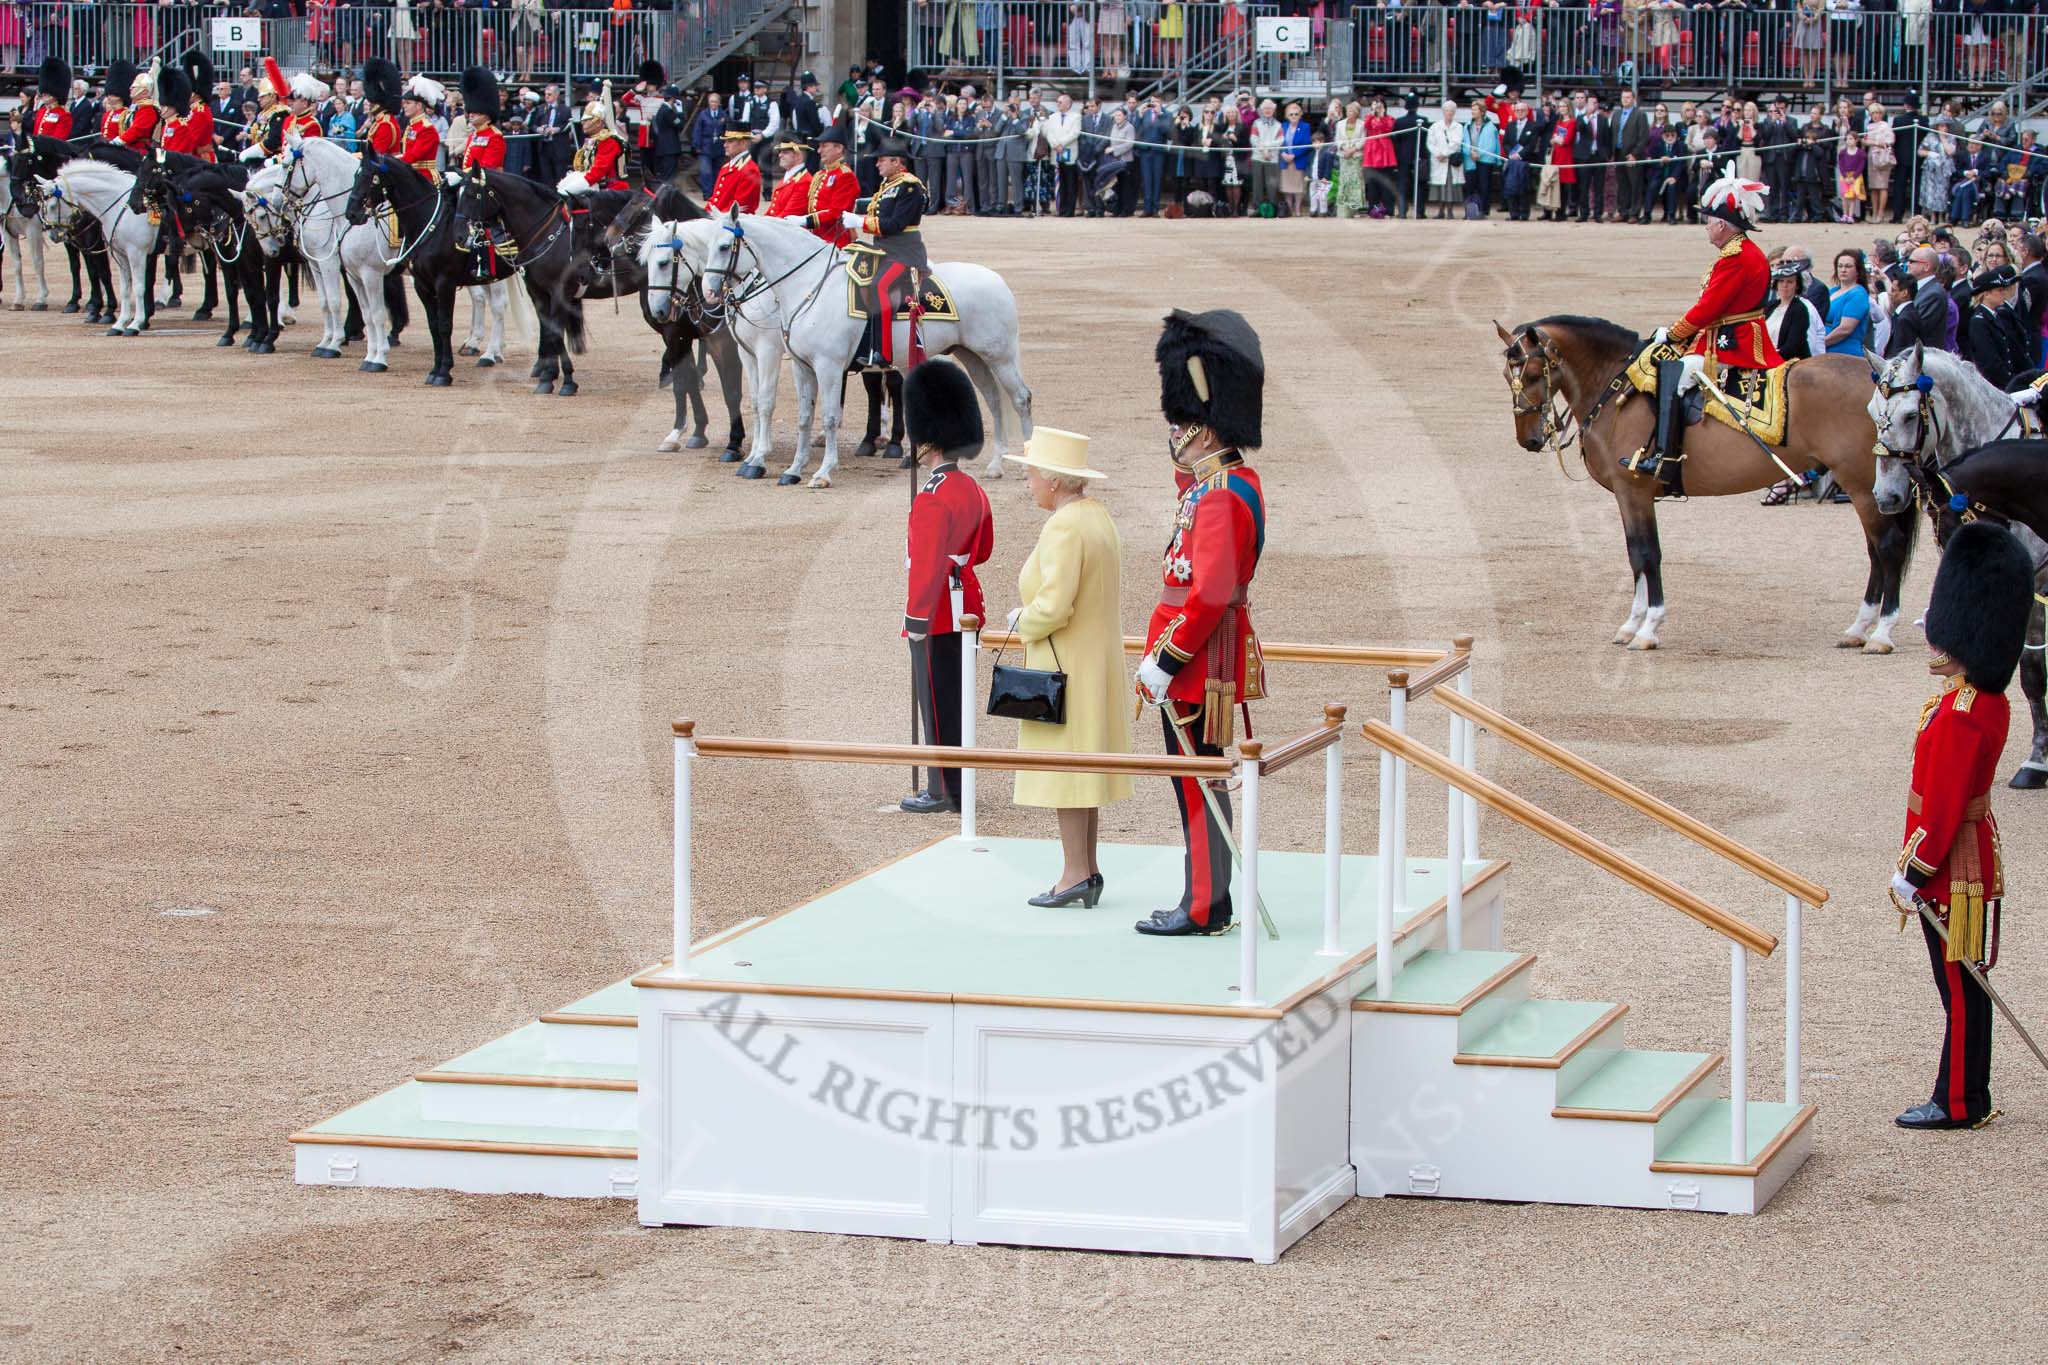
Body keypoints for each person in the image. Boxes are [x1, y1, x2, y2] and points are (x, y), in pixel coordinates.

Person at [1889, 520, 2033, 1130]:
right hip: (1967, 854)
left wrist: (1914, 871)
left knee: (1960, 988)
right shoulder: (1982, 703)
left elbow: (1943, 805)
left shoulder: (1960, 714)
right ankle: (1966, 1094)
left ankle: (1959, 1101)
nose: (1933, 644)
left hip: (1950, 867)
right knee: (1964, 987)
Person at [1133, 310, 1268, 939]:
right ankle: (1205, 897)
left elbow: (1209, 591)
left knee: (1196, 782)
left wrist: (1165, 659)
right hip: (1200, 652)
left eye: (1184, 425)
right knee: (1198, 780)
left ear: (1207, 431)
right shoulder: (1229, 481)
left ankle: (1205, 904)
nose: (1175, 436)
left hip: (1194, 659)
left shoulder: (1218, 496)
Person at [999, 429, 1129, 908]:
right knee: (1081, 769)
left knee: (1068, 771)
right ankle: (1086, 869)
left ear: (1053, 481)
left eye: (1032, 474)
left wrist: (1021, 620)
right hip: (1089, 661)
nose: (1029, 483)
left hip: (1064, 662)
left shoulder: (1064, 526)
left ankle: (1075, 872)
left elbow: (1054, 606)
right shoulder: (1097, 517)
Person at [1638, 177, 1782, 495]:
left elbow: (1707, 308)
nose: (1705, 226)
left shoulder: (1737, 257)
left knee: (1677, 376)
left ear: (1722, 224)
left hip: (1735, 340)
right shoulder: (1737, 251)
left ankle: (1665, 457)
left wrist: (1672, 334)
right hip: (1724, 332)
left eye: (1708, 221)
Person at [899, 360, 995, 816]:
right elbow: (985, 549)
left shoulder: (932, 496)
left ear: (928, 441)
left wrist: (914, 621)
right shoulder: (972, 488)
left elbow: (926, 568)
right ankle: (959, 777)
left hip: (937, 610)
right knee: (959, 697)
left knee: (936, 701)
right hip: (967, 602)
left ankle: (943, 787)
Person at [843, 137, 927, 370]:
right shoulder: (890, 184)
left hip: (905, 252)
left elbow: (895, 223)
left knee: (879, 286)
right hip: (885, 250)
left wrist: (859, 222)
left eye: (881, 160)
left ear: (897, 162)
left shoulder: (910, 186)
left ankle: (883, 351)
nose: (877, 164)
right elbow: (877, 207)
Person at [561, 83, 630, 193]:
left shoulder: (609, 141)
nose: (582, 122)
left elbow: (599, 170)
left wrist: (579, 185)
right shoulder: (592, 139)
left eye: (587, 120)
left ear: (598, 122)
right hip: (596, 185)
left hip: (611, 189)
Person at [798, 124, 860, 246]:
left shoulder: (845, 176)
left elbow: (836, 214)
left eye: (824, 146)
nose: (819, 150)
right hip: (815, 237)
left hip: (834, 240)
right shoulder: (821, 174)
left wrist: (806, 220)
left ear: (838, 148)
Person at [1823, 249, 1872, 355]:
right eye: (1840, 266)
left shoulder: (1858, 294)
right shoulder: (1832, 291)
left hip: (1844, 352)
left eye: (1848, 266)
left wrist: (1821, 343)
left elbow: (1845, 329)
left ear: (1858, 271)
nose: (1843, 270)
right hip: (1826, 351)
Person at [459, 68, 505, 172]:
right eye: (470, 112)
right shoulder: (473, 135)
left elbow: (488, 168)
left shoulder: (494, 136)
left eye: (475, 112)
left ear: (486, 114)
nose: (471, 115)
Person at [358, 58, 403, 161]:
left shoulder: (385, 124)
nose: (369, 105)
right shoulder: (380, 121)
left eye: (372, 104)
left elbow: (376, 156)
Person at [398, 77, 444, 179]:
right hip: (411, 174)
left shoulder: (427, 129)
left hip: (423, 177)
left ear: (419, 105)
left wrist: (391, 161)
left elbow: (413, 156)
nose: (404, 106)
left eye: (408, 103)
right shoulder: (413, 125)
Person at [764, 138, 812, 216]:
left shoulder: (804, 182)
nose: (779, 155)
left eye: (785, 152)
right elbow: (772, 211)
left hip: (785, 226)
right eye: (780, 152)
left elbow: (788, 216)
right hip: (775, 224)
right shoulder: (791, 177)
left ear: (798, 156)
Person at [32, 58, 72, 141]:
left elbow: (57, 140)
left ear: (55, 94)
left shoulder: (64, 116)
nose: (44, 94)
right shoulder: (41, 111)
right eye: (43, 93)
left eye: (47, 93)